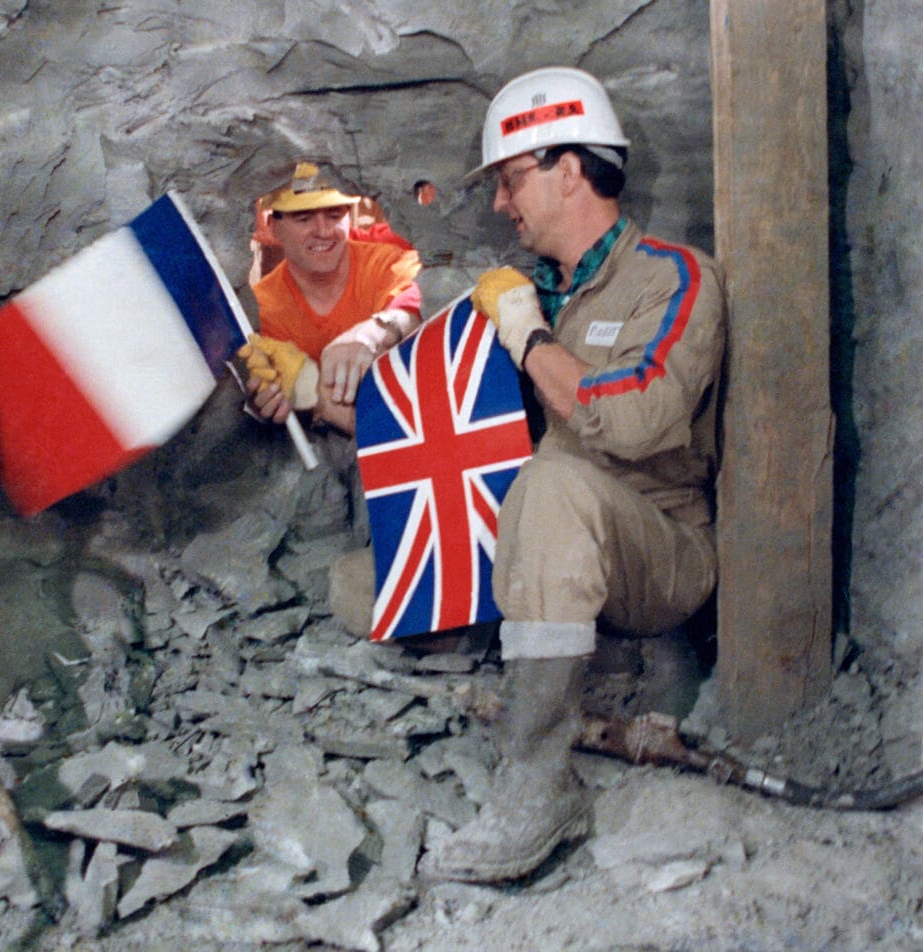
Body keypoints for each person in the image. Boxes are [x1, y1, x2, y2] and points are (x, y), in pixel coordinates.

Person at [416, 67, 726, 882]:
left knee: (551, 486)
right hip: (566, 540)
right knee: (363, 587)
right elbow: (442, 429)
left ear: (570, 166)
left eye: (511, 179)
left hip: (663, 548)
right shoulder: (544, 294)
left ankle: (537, 787)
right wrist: (320, 393)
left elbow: (639, 416)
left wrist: (526, 336)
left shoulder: (673, 275)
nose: (499, 204)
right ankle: (600, 663)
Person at [240, 162, 423, 433]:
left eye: (335, 215)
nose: (323, 231)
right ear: (273, 227)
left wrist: (375, 332)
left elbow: (417, 308)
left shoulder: (385, 264)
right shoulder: (263, 309)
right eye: (304, 218)